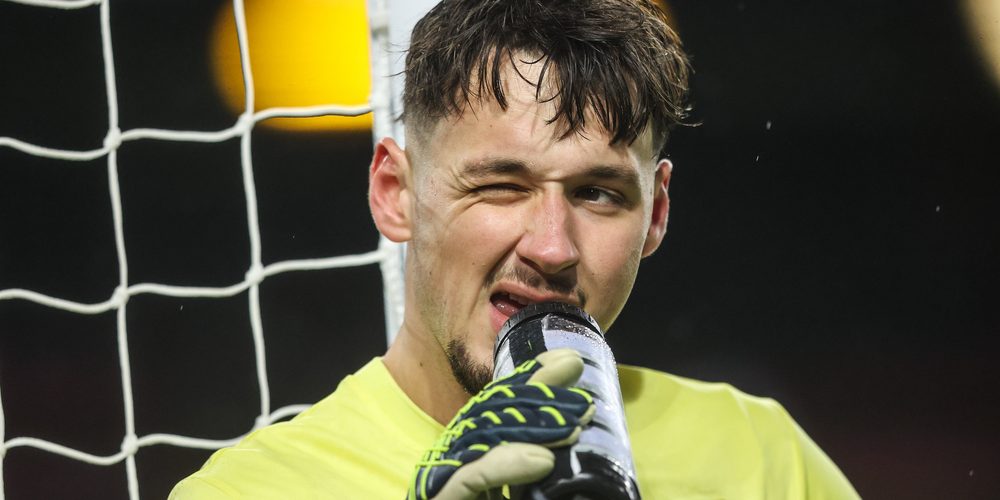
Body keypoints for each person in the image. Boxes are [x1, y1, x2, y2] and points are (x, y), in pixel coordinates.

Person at [172, 0, 859, 498]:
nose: (553, 247)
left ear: (658, 214)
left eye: (598, 194)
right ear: (394, 193)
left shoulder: (763, 459)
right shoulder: (254, 491)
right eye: (501, 186)